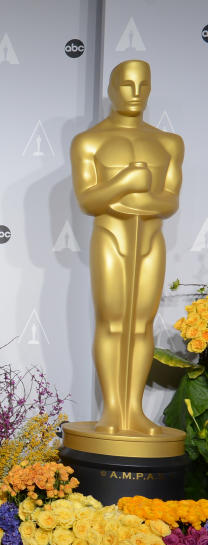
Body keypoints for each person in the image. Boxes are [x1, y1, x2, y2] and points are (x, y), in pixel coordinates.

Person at [70, 59, 184, 436]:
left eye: (142, 86)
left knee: (141, 324)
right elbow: (89, 201)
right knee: (113, 322)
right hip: (111, 238)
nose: (135, 94)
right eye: (126, 85)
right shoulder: (90, 142)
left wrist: (124, 202)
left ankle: (133, 410)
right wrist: (127, 180)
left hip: (150, 240)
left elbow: (169, 203)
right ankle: (111, 411)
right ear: (110, 89)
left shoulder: (168, 143)